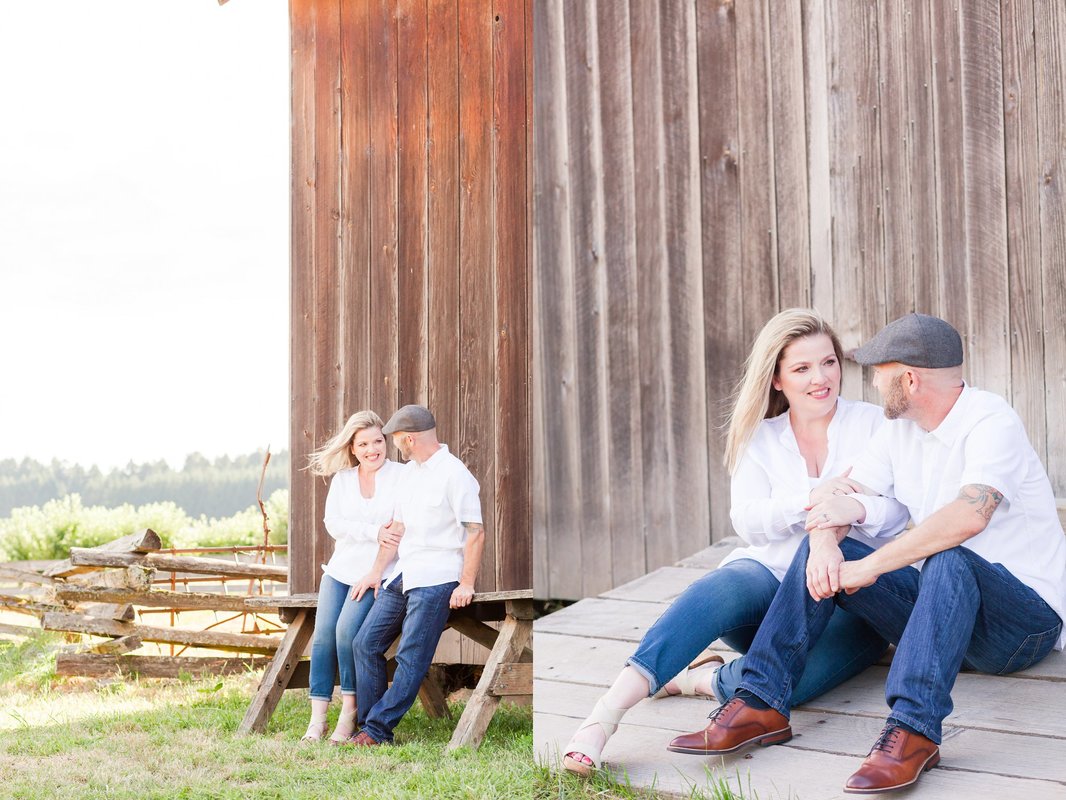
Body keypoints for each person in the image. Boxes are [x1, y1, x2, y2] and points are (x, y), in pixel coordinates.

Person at [671, 313, 1066, 795]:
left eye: (879, 371)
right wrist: (822, 543)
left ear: (910, 378)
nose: (873, 382)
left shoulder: (989, 419)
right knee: (830, 549)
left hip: (1022, 628)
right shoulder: (900, 430)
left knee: (949, 556)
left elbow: (968, 517)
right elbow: (841, 490)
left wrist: (871, 566)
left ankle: (915, 730)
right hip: (946, 620)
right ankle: (761, 700)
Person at [561, 309, 911, 776]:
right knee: (718, 589)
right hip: (767, 586)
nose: (820, 378)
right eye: (802, 368)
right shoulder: (761, 439)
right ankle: (602, 719)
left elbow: (898, 512)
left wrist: (850, 508)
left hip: (852, 601)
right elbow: (749, 521)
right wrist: (814, 499)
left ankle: (698, 679)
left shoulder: (874, 426)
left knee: (792, 687)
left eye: (828, 363)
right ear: (777, 380)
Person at [345, 404, 485, 746]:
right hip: (404, 575)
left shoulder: (455, 474)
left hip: (438, 578)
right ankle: (370, 726)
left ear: (409, 439)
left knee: (411, 655)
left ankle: (375, 731)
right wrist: (377, 572)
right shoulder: (410, 474)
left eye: (395, 440)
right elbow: (399, 528)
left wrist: (466, 583)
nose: (394, 447)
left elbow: (475, 531)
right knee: (365, 643)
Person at [300, 410, 404, 744]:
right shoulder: (343, 480)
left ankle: (349, 714)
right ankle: (317, 720)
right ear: (353, 447)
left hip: (378, 573)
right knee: (323, 637)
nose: (373, 449)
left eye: (378, 441)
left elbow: (399, 528)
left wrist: (377, 544)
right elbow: (334, 523)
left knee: (347, 634)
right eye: (364, 444)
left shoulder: (401, 477)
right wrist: (373, 530)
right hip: (340, 570)